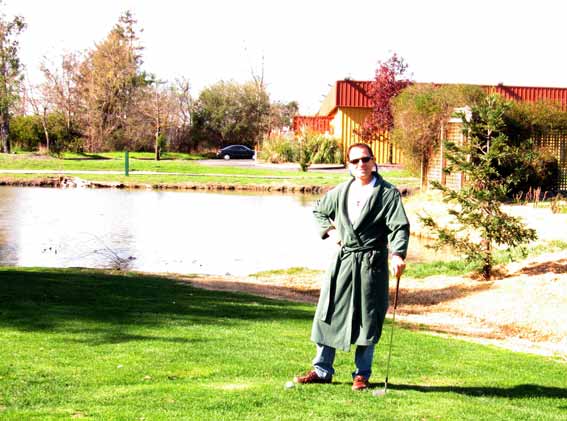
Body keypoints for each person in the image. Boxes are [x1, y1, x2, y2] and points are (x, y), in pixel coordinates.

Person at [294, 142, 410, 391]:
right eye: (355, 161)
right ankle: (322, 370)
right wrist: (331, 231)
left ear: (373, 160)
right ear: (349, 164)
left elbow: (399, 226)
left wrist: (397, 254)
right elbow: (319, 211)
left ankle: (362, 374)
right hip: (344, 262)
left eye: (365, 159)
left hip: (372, 264)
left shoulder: (388, 194)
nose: (361, 165)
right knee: (329, 311)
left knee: (369, 316)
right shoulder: (340, 191)